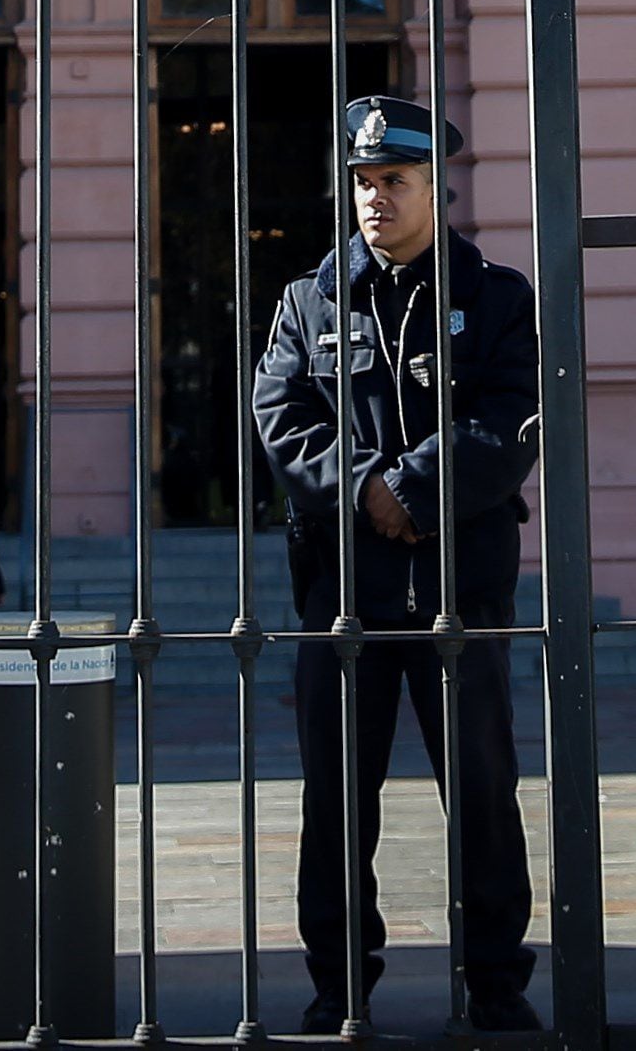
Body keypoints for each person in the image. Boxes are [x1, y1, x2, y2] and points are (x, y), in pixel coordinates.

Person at [250, 94, 541, 1036]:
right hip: (345, 598)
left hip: (462, 587)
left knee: (485, 795)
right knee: (336, 801)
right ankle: (339, 987)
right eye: (364, 181)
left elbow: (513, 421)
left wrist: (414, 491)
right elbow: (280, 415)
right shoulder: (310, 299)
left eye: (395, 181)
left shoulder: (497, 296)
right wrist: (367, 484)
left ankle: (496, 984)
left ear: (434, 186)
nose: (376, 198)